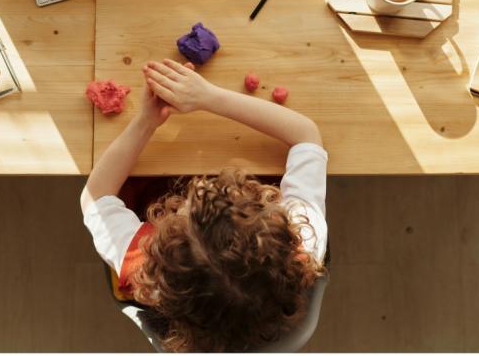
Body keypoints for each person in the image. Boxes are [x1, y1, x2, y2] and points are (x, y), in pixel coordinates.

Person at [80, 58, 328, 352]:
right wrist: (209, 97)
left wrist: (147, 120)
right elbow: (306, 135)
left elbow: (95, 196)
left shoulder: (145, 264)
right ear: (273, 224)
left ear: (162, 244)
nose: (197, 188)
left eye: (185, 209)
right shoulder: (302, 239)